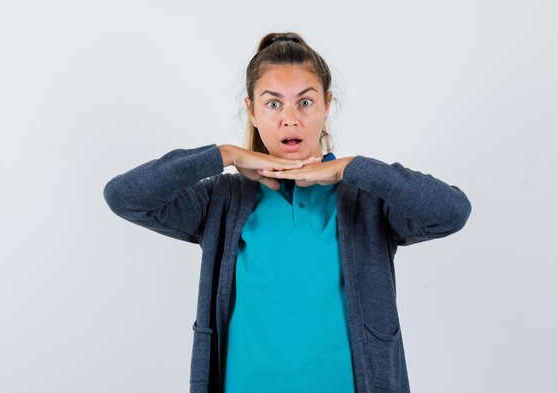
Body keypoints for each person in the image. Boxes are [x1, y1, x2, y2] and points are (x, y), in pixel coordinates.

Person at [103, 32, 472, 393]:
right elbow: (125, 196)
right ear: (251, 110)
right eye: (273, 103)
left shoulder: (363, 197)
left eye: (306, 102)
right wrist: (225, 154)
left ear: (327, 105)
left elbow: (451, 212)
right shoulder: (223, 199)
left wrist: (352, 168)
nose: (290, 119)